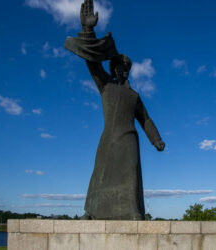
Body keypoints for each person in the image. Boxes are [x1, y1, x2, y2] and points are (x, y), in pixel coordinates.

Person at [65, 0, 165, 220]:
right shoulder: (106, 86)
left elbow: (146, 119)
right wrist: (87, 29)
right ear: (113, 68)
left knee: (129, 174)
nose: (125, 71)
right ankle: (91, 212)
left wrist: (156, 140)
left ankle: (132, 211)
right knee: (100, 175)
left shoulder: (134, 95)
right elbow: (92, 63)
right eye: (121, 67)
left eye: (127, 68)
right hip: (108, 138)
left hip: (128, 138)